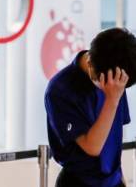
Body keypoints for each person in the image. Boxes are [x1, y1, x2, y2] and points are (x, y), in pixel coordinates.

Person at [44, 28, 136, 187]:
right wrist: (112, 99)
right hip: (79, 181)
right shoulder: (59, 90)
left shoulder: (116, 76)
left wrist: (120, 178)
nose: (112, 87)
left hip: (113, 179)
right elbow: (92, 147)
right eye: (104, 85)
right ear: (90, 63)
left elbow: (114, 137)